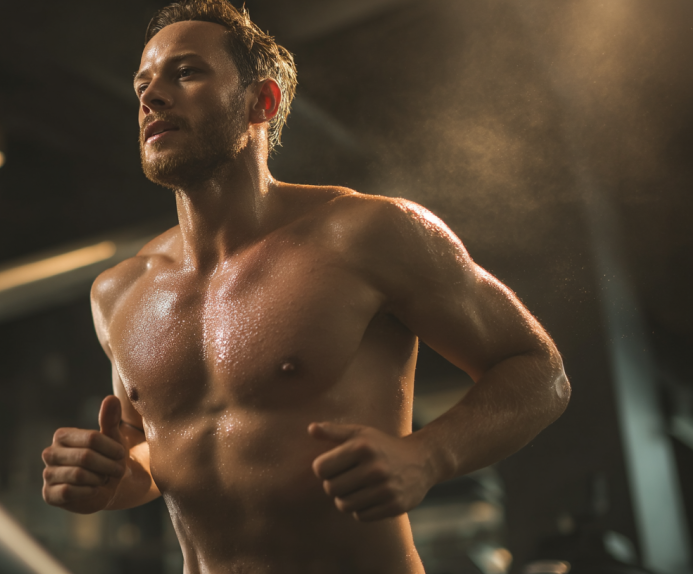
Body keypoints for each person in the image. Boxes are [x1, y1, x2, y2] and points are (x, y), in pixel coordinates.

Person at [41, 1, 570, 572]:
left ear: (260, 102)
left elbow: (540, 372)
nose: (151, 96)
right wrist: (108, 478)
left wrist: (427, 456)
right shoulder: (118, 293)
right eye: (143, 83)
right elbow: (155, 455)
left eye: (187, 72)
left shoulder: (368, 233)